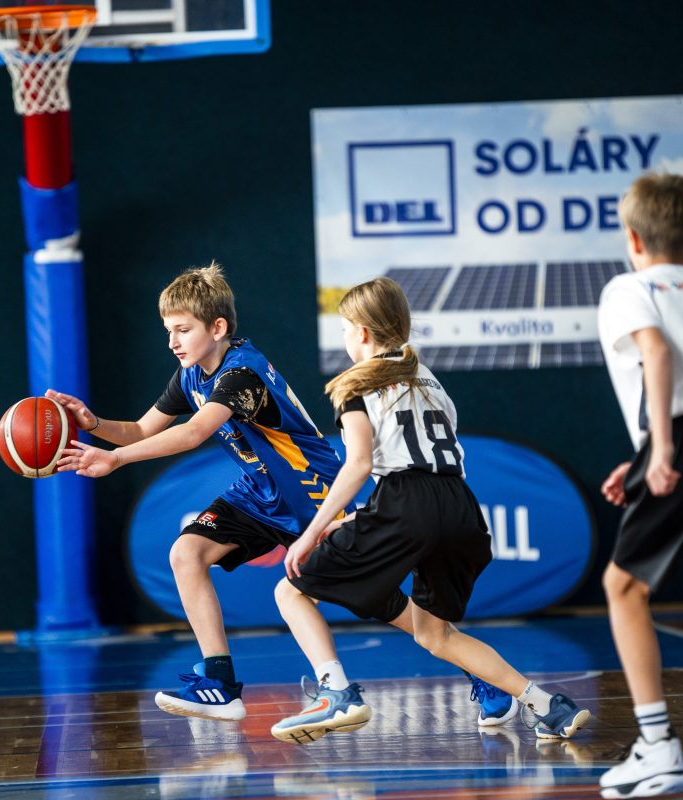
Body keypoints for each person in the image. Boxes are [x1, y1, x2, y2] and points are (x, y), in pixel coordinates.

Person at [269, 277, 591, 745]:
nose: (344, 339)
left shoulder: (353, 384)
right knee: (434, 635)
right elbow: (423, 470)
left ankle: (336, 692)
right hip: (460, 507)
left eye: (344, 329)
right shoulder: (430, 380)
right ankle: (546, 705)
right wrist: (359, 519)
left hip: (408, 504)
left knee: (290, 591)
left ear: (361, 332)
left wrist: (312, 531)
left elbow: (361, 465)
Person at [49, 263, 353, 722]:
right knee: (185, 553)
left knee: (377, 598)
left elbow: (193, 433)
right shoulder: (190, 374)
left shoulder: (242, 374)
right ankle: (221, 684)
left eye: (183, 330)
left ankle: (467, 664)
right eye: (168, 331)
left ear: (218, 328)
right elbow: (140, 429)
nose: (172, 342)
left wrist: (115, 459)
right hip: (259, 493)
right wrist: (94, 424)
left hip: (313, 493)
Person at [597, 173, 683, 799]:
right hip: (663, 441)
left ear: (633, 238)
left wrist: (663, 447)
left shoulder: (630, 287)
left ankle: (657, 746)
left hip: (673, 439)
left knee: (622, 586)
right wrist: (641, 459)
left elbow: (657, 352)